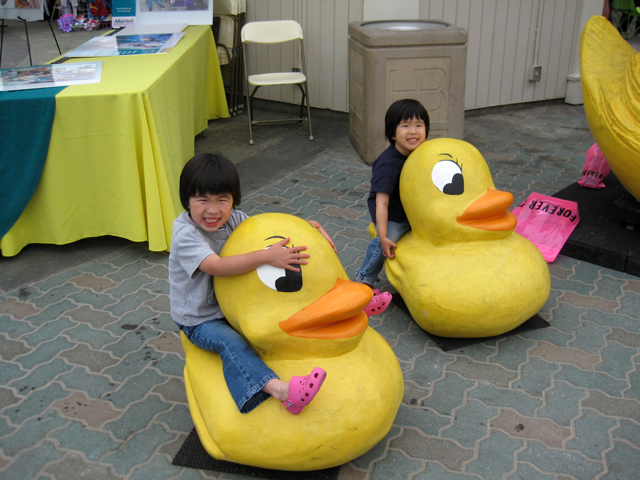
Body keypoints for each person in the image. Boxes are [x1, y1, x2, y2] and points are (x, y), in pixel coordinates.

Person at [169, 153, 328, 415]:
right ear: (187, 200)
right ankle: (282, 391)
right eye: (203, 200)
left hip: (232, 306)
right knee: (231, 343)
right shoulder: (186, 236)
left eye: (222, 199)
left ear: (234, 199)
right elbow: (217, 267)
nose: (213, 210)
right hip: (200, 319)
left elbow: (262, 232)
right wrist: (266, 256)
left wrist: (305, 228)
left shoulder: (234, 220)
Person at [355, 99, 430, 315]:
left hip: (412, 210)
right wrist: (384, 233)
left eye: (419, 125)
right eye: (405, 126)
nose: (413, 131)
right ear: (393, 133)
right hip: (393, 213)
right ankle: (364, 281)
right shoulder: (389, 164)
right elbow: (381, 201)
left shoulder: (422, 154)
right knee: (383, 241)